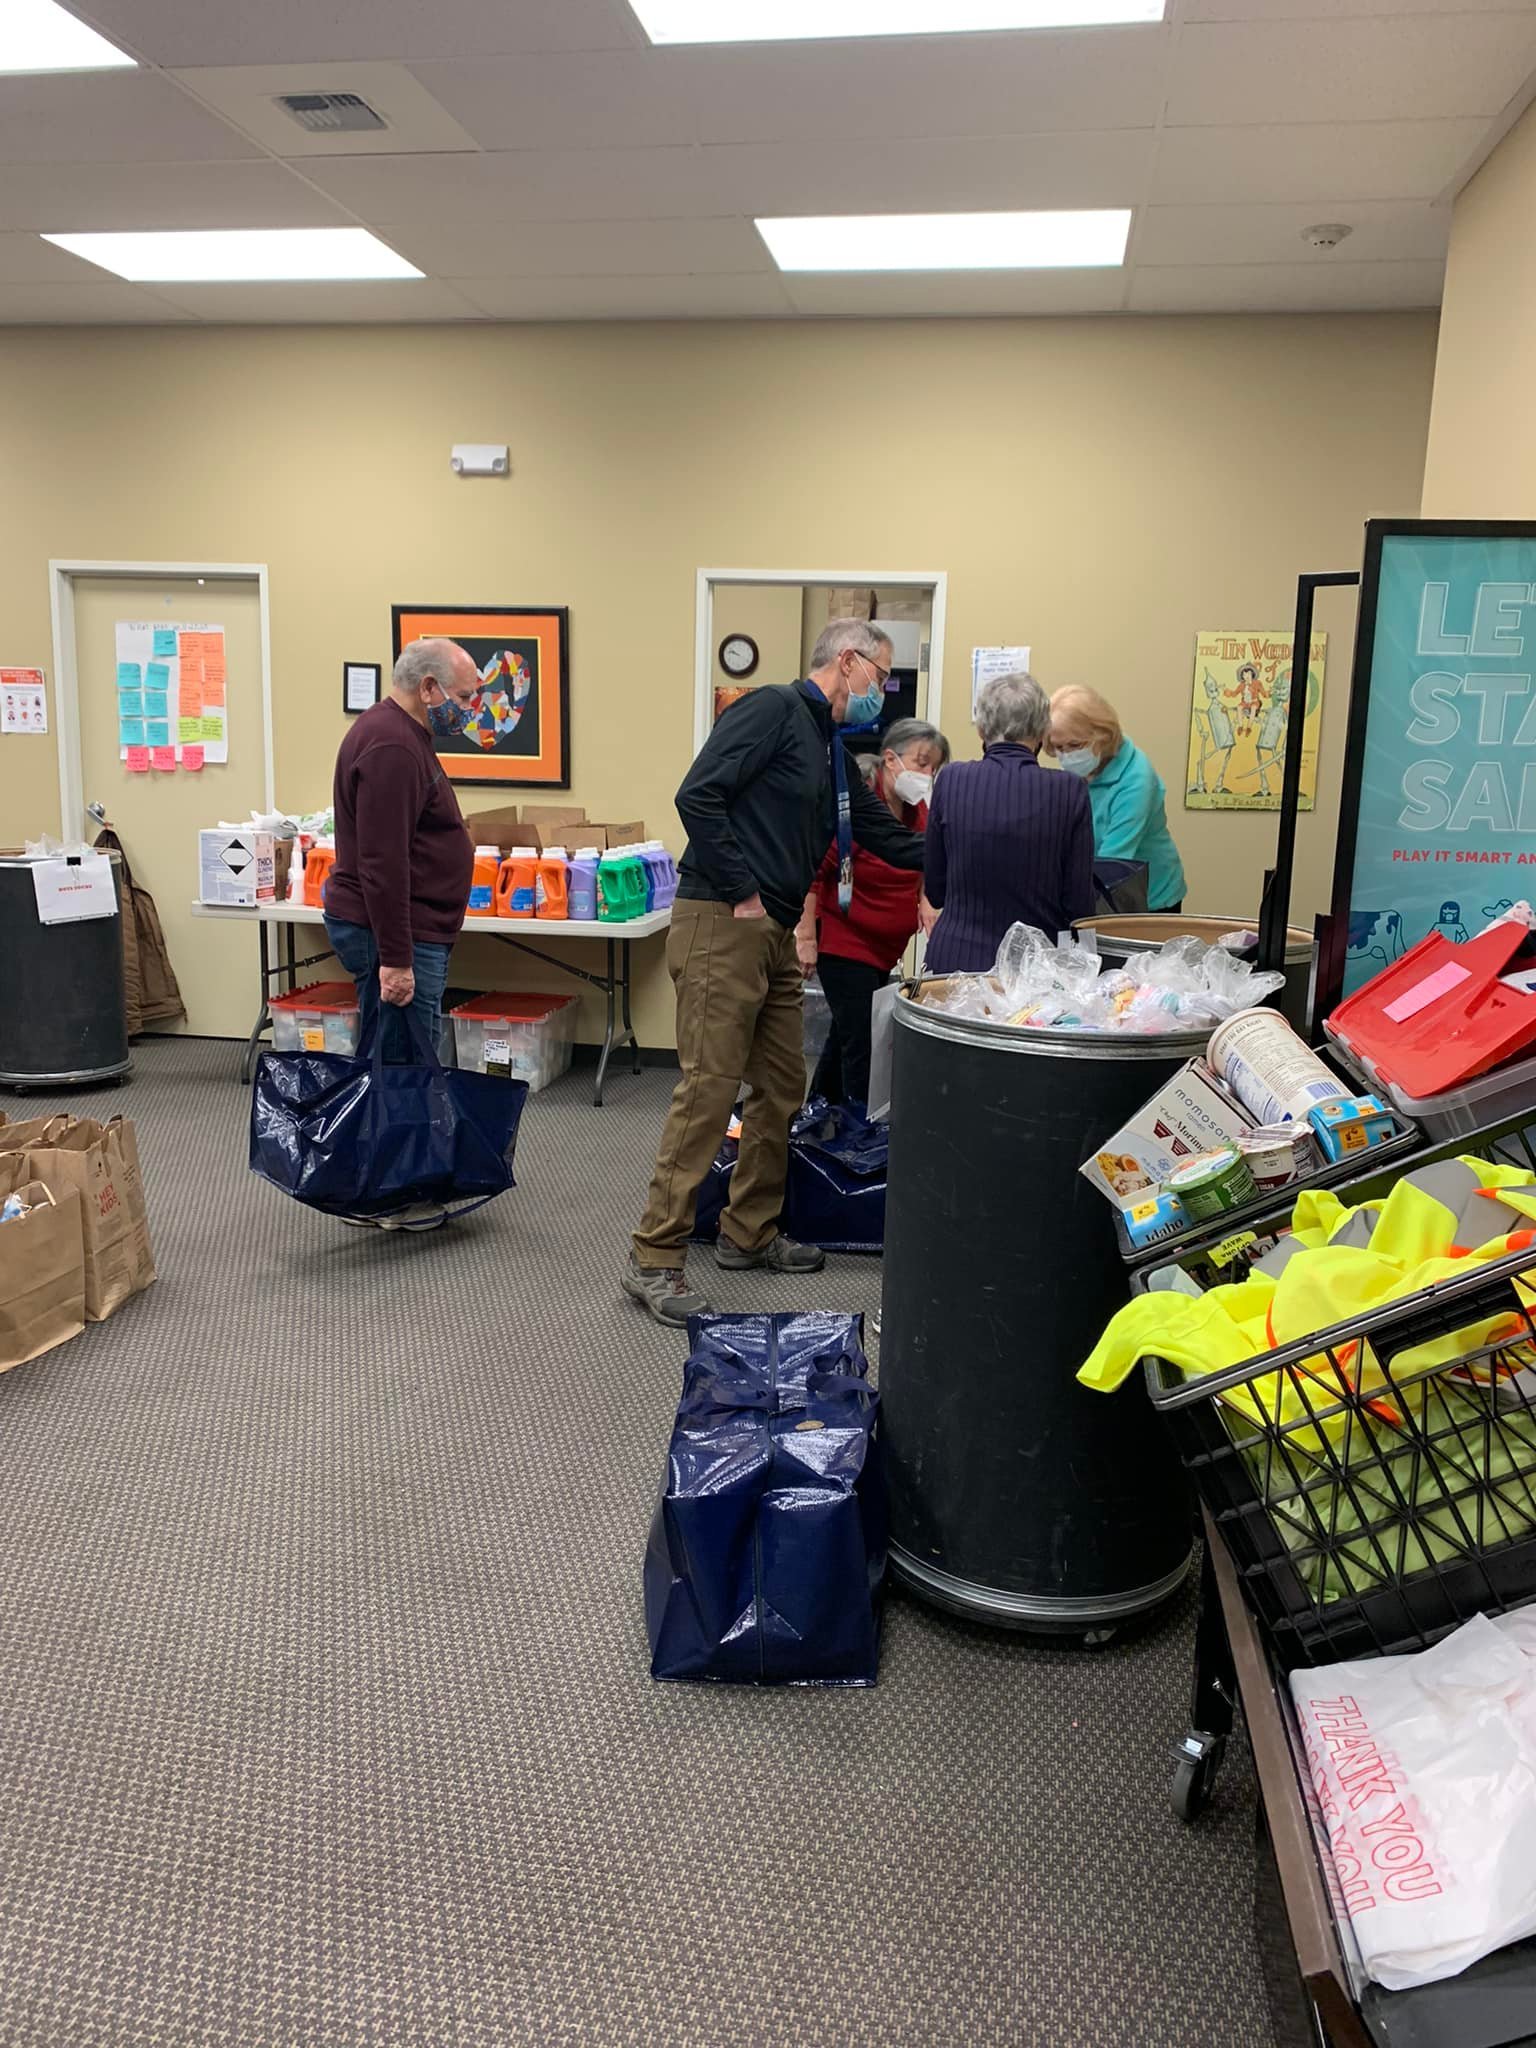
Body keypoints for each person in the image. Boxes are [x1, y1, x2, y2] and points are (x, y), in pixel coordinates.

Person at [625, 620, 925, 1327]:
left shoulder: (830, 745)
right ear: (846, 661)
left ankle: (747, 1231)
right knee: (709, 1087)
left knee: (783, 1083)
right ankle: (653, 1258)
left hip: (771, 931)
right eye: (879, 675)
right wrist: (743, 890)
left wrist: (956, 835)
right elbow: (697, 793)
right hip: (722, 922)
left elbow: (878, 837)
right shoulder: (769, 710)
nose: (881, 691)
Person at [324, 634, 482, 1064]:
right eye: (465, 697)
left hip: (411, 929)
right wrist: (395, 961)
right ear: (429, 688)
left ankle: (403, 1132)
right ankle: (391, 1135)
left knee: (408, 1059)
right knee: (400, 1067)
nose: (470, 709)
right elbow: (383, 862)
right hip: (396, 936)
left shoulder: (403, 734)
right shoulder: (392, 746)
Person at [795, 716, 950, 1107]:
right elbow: (816, 875)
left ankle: (813, 1118)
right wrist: (806, 939)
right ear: (890, 760)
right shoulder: (859, 812)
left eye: (935, 766)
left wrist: (926, 902)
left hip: (884, 951)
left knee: (845, 1039)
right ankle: (858, 1134)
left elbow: (920, 867)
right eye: (921, 762)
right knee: (864, 1047)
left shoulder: (920, 815)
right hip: (846, 946)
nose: (928, 773)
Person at [923, 673, 1095, 974]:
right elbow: (1079, 907)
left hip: (955, 964)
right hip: (1034, 972)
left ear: (981, 728)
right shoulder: (1070, 790)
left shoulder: (950, 780)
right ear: (1043, 730)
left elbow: (935, 891)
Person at [1047, 684, 1188, 914]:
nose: (1067, 756)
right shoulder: (1086, 766)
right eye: (1058, 747)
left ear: (1101, 735)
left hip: (1150, 897)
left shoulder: (1136, 780)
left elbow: (1112, 863)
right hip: (1100, 884)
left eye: (1074, 745)